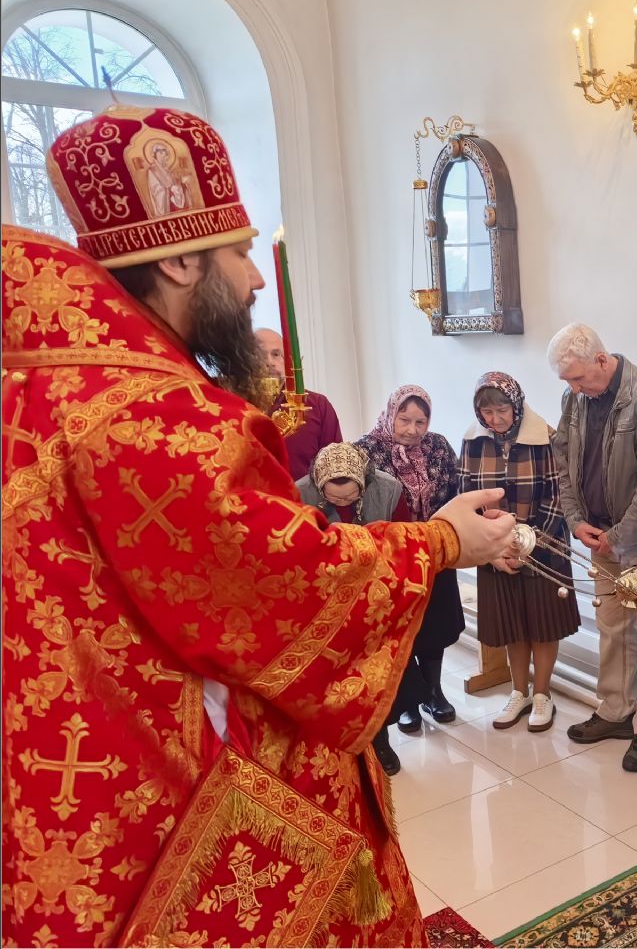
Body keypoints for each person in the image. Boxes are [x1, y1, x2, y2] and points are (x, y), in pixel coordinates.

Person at [2, 105, 515, 947]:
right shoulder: (159, 415)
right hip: (181, 766)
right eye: (240, 252)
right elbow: (286, 582)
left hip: (71, 766)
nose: (254, 281)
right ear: (180, 260)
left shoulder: (37, 386)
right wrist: (443, 541)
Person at [548, 324, 637, 772]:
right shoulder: (574, 399)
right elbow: (564, 463)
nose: (573, 389)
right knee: (613, 625)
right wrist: (576, 520)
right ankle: (616, 710)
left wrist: (620, 536)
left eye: (577, 378)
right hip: (599, 533)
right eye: (567, 381)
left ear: (601, 359)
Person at [459, 371, 581, 732]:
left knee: (542, 625)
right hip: (494, 550)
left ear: (516, 405)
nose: (495, 420)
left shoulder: (545, 437)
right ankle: (519, 692)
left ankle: (542, 694)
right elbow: (466, 497)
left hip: (545, 547)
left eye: (502, 411)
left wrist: (528, 547)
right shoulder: (473, 442)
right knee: (513, 624)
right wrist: (494, 551)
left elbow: (558, 498)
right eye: (487, 413)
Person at [296, 443, 412, 774]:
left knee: (375, 677)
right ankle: (335, 751)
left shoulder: (389, 489)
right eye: (333, 498)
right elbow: (294, 548)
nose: (342, 503)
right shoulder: (299, 493)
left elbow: (403, 541)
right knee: (331, 682)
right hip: (325, 601)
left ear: (363, 482)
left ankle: (380, 740)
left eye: (350, 497)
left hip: (375, 597)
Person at [358, 386, 466, 737]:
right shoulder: (366, 451)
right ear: (391, 414)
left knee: (435, 626)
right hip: (392, 558)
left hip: (434, 551)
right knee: (400, 630)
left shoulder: (438, 446)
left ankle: (433, 692)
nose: (412, 429)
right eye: (404, 420)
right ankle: (406, 701)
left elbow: (455, 493)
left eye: (420, 422)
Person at [254, 326, 344, 479]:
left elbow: (335, 467)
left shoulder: (317, 405)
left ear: (288, 361)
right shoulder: (236, 408)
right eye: (259, 355)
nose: (269, 362)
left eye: (276, 354)